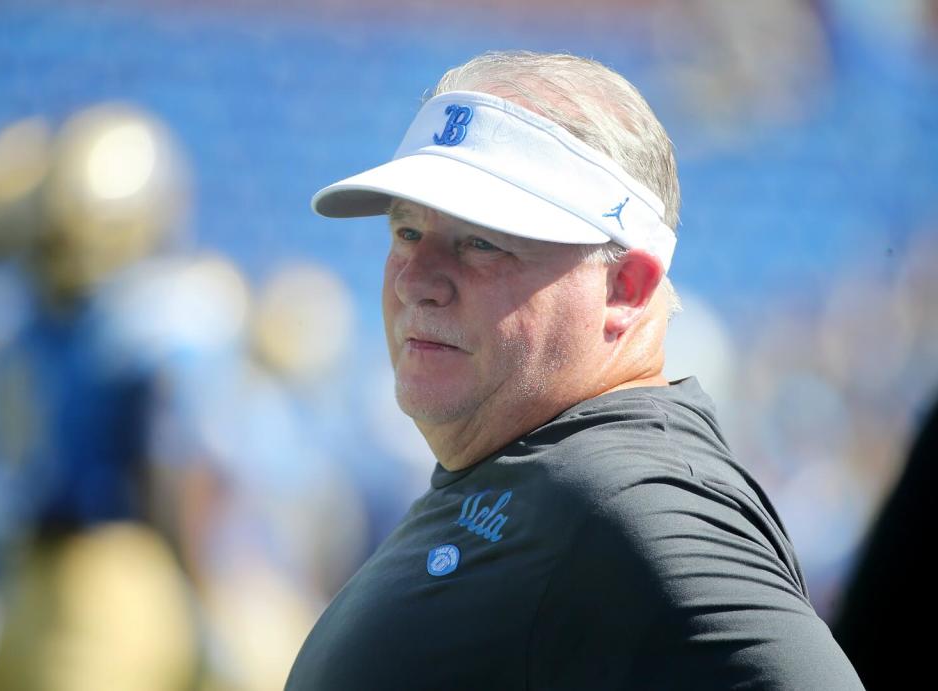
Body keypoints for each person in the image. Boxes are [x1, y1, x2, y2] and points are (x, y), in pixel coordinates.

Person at [286, 51, 862, 690]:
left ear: (626, 287)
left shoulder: (634, 500)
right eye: (406, 232)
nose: (416, 282)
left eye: (481, 242)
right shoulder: (550, 476)